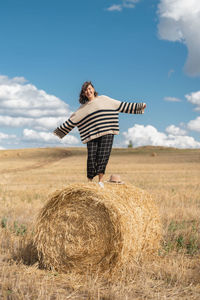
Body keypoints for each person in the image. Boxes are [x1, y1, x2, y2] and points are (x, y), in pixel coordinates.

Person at [53, 81, 146, 187]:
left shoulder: (104, 99)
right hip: (92, 135)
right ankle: (89, 183)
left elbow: (121, 105)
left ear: (93, 89)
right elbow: (72, 121)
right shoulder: (83, 108)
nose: (88, 91)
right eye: (85, 90)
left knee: (103, 156)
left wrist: (139, 106)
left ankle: (100, 181)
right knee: (91, 158)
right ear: (83, 94)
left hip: (107, 132)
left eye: (89, 88)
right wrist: (59, 131)